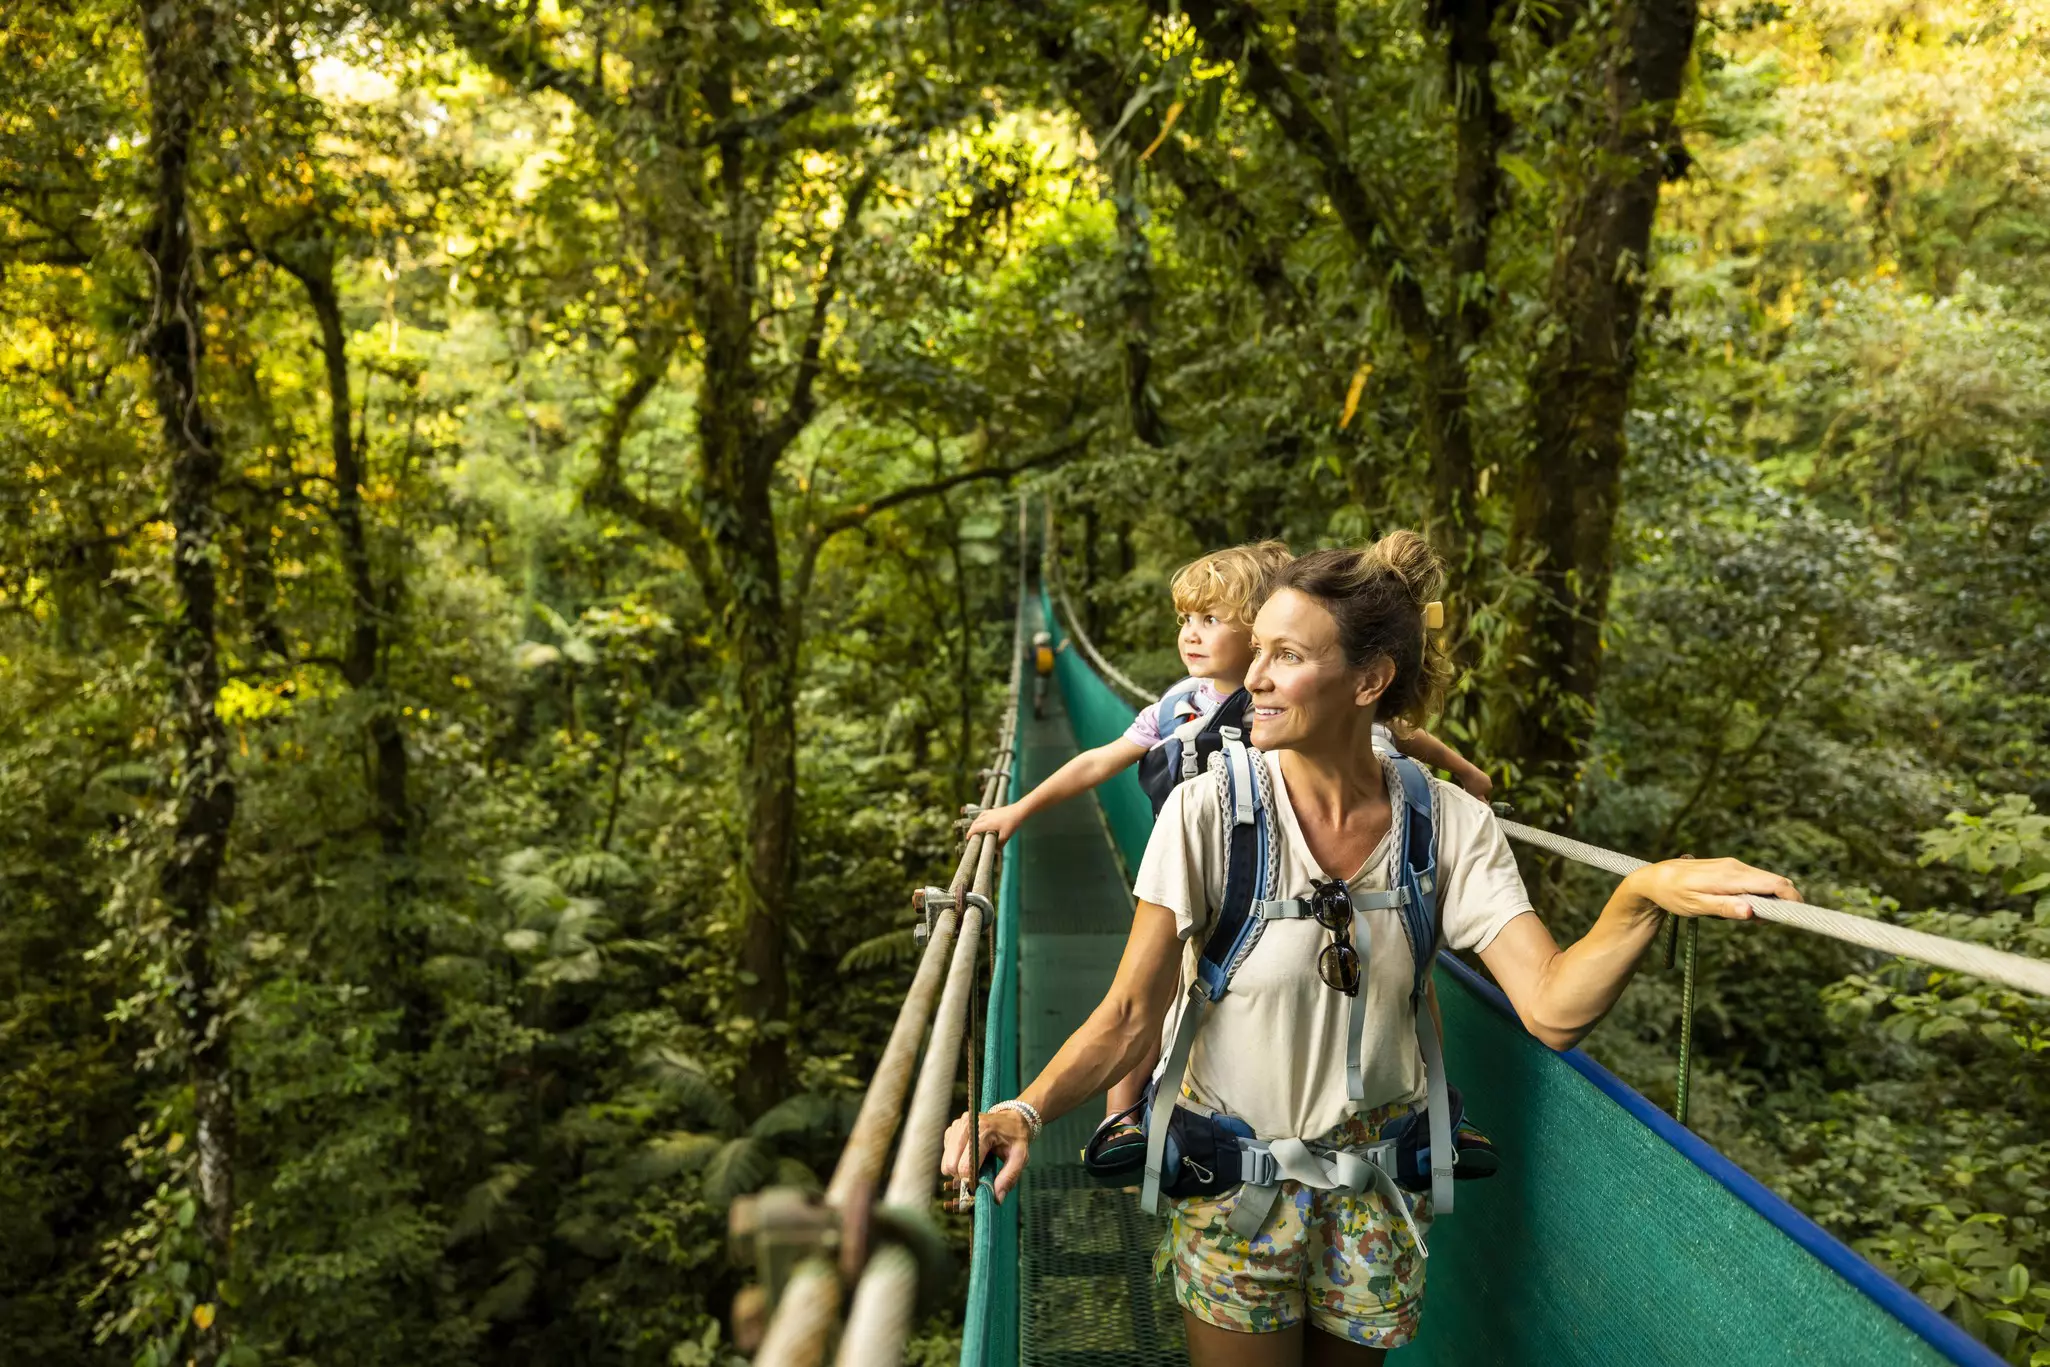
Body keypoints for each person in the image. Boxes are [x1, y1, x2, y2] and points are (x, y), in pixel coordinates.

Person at [942, 532, 1798, 1366]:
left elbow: (1552, 1007)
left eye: (1286, 656)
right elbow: (1132, 1014)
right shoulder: (1203, 811)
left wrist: (1640, 896)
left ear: (1371, 679)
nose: (1254, 677)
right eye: (1259, 650)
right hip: (1234, 1180)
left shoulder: (1448, 825)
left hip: (1377, 1195)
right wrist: (1022, 1110)